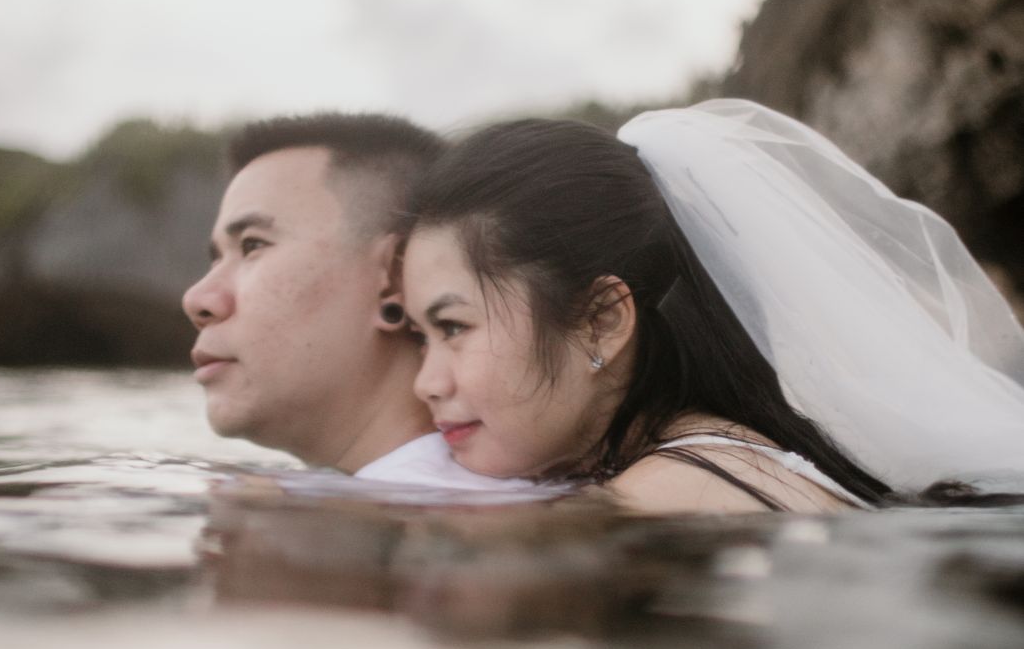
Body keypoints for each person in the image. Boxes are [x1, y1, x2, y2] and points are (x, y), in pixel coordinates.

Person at [402, 101, 1024, 514]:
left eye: (453, 327)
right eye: (418, 336)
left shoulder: (662, 500)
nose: (425, 382)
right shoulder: (718, 462)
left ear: (602, 321)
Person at [181, 112, 534, 492]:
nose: (197, 300)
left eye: (253, 245)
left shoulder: (447, 510)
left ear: (398, 277)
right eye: (216, 259)